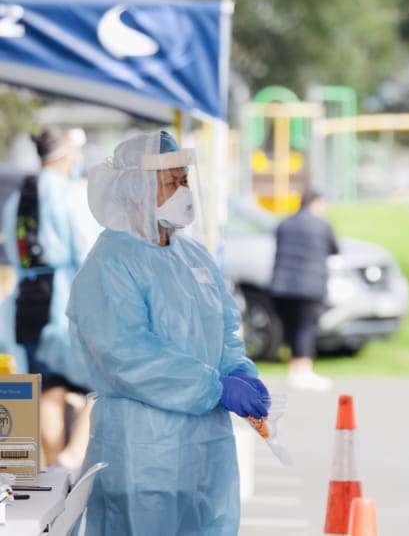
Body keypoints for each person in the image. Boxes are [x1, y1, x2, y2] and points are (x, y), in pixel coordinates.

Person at [66, 130, 270, 534]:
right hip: (143, 450)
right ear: (136, 189)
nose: (183, 192)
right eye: (171, 182)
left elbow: (224, 326)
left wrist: (238, 370)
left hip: (206, 447)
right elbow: (127, 354)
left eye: (185, 180)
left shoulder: (193, 255)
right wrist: (214, 386)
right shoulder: (111, 262)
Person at [0, 127, 98, 469]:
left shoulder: (18, 198)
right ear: (67, 154)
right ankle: (72, 456)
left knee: (48, 387)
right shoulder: (72, 195)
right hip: (64, 300)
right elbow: (88, 249)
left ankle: (55, 470)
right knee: (105, 380)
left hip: (26, 302)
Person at [271, 188, 337, 391]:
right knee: (306, 328)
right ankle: (304, 370)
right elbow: (334, 249)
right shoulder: (322, 225)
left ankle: (294, 368)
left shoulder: (284, 224)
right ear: (315, 203)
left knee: (291, 328)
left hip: (283, 285)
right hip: (310, 286)